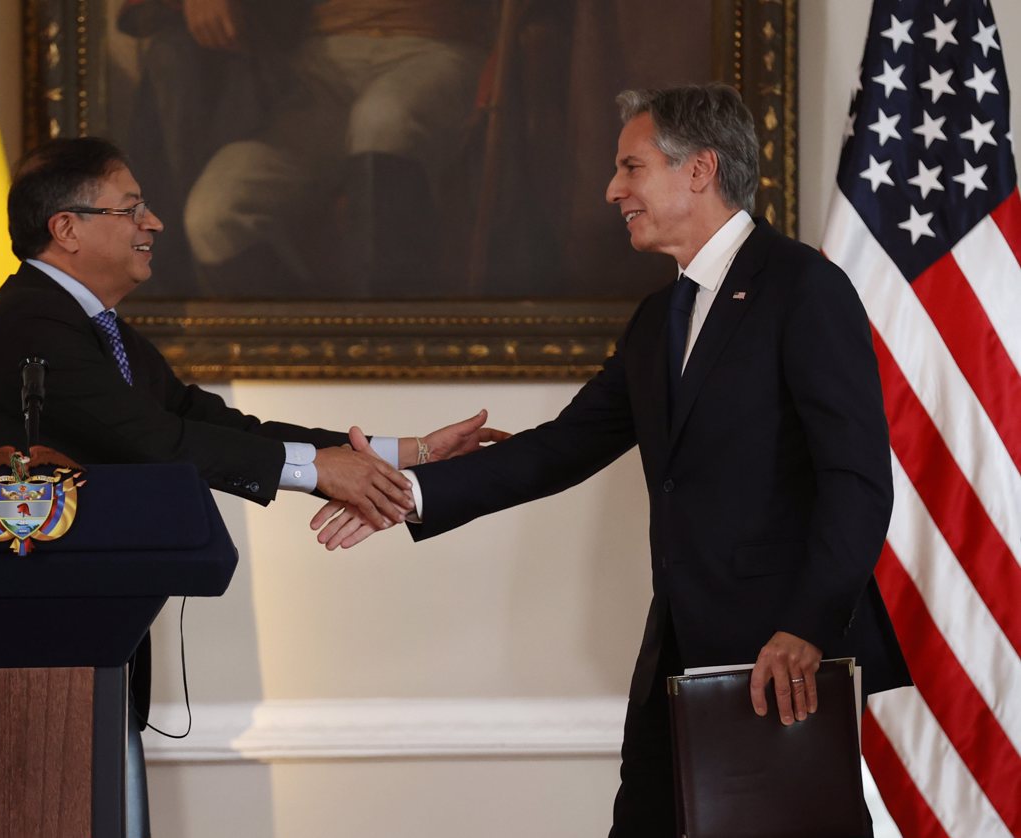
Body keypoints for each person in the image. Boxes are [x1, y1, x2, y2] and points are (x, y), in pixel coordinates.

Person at [313, 84, 911, 835]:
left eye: (631, 168)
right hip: (678, 654)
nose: (612, 190)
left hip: (781, 660)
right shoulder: (660, 317)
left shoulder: (803, 287)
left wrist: (808, 626)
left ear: (699, 170)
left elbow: (856, 479)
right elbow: (563, 449)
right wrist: (405, 492)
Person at [0, 136, 506, 836]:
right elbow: (159, 444)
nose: (154, 223)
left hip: (74, 661)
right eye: (131, 208)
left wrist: (403, 452)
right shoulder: (32, 324)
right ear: (66, 228)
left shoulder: (98, 330)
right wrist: (321, 471)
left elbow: (214, 422)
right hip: (14, 672)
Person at [181, 0, 496, 297]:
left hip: (438, 47)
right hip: (320, 66)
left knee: (382, 120)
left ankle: (385, 339)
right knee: (213, 216)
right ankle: (303, 343)